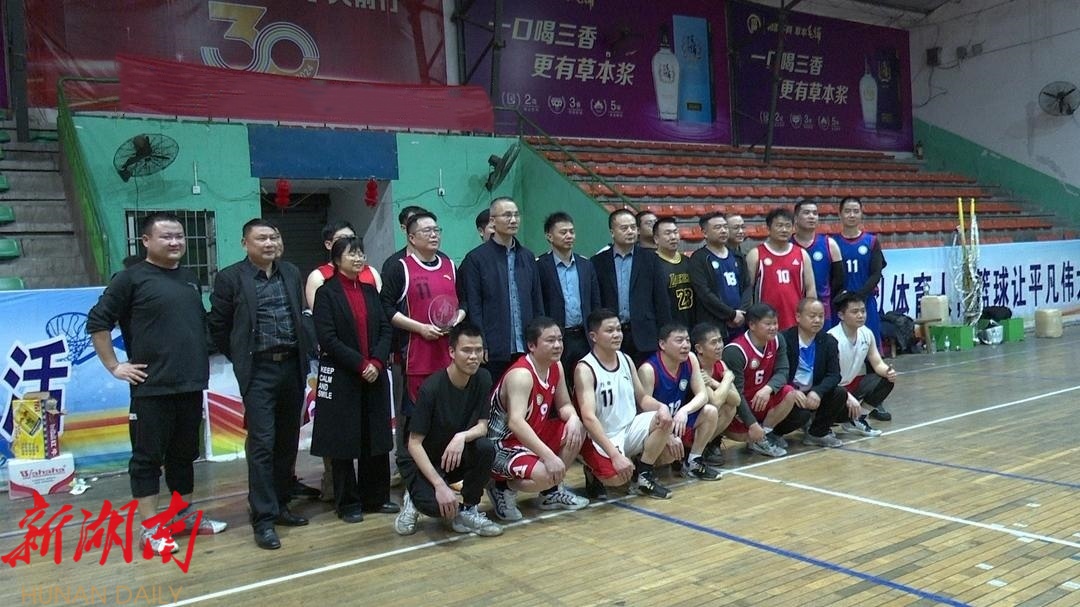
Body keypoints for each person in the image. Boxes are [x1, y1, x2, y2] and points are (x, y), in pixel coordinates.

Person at [87, 212, 226, 556]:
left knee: (184, 456)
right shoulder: (129, 279)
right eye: (166, 236)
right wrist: (114, 366)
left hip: (190, 385)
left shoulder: (189, 279)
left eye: (179, 236)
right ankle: (150, 529)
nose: (175, 242)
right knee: (147, 459)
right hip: (151, 388)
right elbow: (98, 322)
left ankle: (182, 517)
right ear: (146, 240)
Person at [208, 218, 312, 550]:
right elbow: (219, 327)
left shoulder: (290, 272)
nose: (269, 243)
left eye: (274, 237)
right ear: (245, 243)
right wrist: (242, 356)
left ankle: (281, 505)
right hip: (259, 371)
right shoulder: (230, 278)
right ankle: (263, 518)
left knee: (287, 441)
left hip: (292, 366)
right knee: (262, 443)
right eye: (261, 238)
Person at [309, 236, 395, 524]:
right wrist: (361, 364)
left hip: (374, 375)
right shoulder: (326, 293)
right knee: (343, 441)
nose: (358, 259)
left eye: (361, 254)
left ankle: (377, 497)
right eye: (352, 254)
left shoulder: (370, 291)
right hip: (344, 376)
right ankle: (347, 503)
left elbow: (385, 329)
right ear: (336, 259)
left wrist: (377, 362)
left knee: (375, 437)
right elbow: (327, 338)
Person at [394, 323, 502, 537]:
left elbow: (482, 427)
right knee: (438, 508)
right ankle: (412, 499)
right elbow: (414, 444)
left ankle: (469, 508)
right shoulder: (431, 388)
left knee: (485, 448)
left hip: (452, 454)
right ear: (452, 352)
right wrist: (440, 486)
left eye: (478, 350)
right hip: (423, 458)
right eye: (467, 350)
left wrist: (461, 437)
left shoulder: (483, 378)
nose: (474, 357)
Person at [486, 317, 588, 521]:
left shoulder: (556, 366)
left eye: (560, 339)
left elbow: (564, 405)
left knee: (577, 430)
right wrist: (549, 456)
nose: (557, 345)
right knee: (545, 474)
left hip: (529, 436)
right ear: (532, 346)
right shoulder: (521, 375)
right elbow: (515, 422)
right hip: (501, 445)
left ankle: (550, 493)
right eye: (550, 340)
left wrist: (574, 418)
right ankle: (501, 487)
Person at [575, 308, 675, 500]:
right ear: (594, 336)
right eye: (610, 330)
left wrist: (662, 408)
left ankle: (644, 476)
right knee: (618, 479)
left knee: (666, 427)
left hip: (629, 428)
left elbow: (642, 398)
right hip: (604, 436)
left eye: (619, 329)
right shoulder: (585, 368)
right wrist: (615, 455)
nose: (617, 334)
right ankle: (592, 471)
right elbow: (588, 418)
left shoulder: (626, 359)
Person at [380, 211, 463, 429]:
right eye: (427, 231)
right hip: (417, 357)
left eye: (436, 230)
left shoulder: (450, 265)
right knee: (419, 419)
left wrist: (457, 319)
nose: (434, 235)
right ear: (411, 237)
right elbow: (386, 308)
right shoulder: (400, 268)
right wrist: (420, 328)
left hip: (449, 355)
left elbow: (465, 302)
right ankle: (411, 452)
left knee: (449, 416)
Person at [462, 197, 544, 382]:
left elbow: (536, 301)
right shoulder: (476, 258)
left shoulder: (527, 256)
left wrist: (539, 338)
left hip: (527, 345)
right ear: (492, 221)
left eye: (516, 215)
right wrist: (480, 342)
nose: (513, 220)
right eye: (507, 215)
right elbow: (474, 305)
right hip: (494, 347)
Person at [638, 323, 723, 481]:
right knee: (669, 456)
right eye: (679, 341)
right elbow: (642, 413)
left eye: (687, 340)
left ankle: (693, 462)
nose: (685, 345)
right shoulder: (648, 369)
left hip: (677, 420)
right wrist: (667, 435)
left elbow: (702, 395)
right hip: (657, 426)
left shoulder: (690, 358)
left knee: (710, 411)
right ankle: (642, 469)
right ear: (662, 344)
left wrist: (684, 410)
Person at [591, 208, 671, 364]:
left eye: (633, 227)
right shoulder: (598, 262)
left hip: (645, 336)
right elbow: (596, 301)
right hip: (611, 334)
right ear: (612, 232)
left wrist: (665, 335)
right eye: (624, 228)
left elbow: (661, 300)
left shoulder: (651, 259)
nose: (630, 231)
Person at [721, 303, 799, 458]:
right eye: (768, 324)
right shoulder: (735, 351)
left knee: (790, 393)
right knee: (733, 412)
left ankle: (763, 437)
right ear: (752, 325)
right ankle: (751, 436)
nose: (773, 328)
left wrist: (768, 388)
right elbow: (736, 393)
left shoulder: (778, 340)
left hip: (762, 401)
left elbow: (783, 371)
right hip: (738, 409)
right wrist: (752, 424)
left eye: (775, 323)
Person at [780, 298, 852, 448]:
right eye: (812, 316)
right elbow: (777, 372)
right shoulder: (784, 339)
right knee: (801, 414)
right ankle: (773, 434)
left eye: (821, 316)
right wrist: (790, 390)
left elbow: (834, 375)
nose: (817, 320)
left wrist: (817, 392)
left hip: (812, 392)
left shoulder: (829, 341)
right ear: (798, 317)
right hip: (788, 392)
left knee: (839, 393)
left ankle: (817, 434)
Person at [537, 212, 601, 369]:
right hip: (556, 337)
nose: (569, 236)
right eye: (563, 232)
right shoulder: (540, 266)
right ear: (549, 236)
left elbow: (595, 301)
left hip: (584, 335)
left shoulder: (586, 265)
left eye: (572, 232)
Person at [828, 292, 896, 433]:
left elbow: (877, 363)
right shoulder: (832, 338)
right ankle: (820, 425)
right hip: (833, 390)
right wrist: (846, 396)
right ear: (841, 315)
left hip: (851, 385)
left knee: (886, 380)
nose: (860, 315)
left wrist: (887, 371)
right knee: (835, 395)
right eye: (855, 312)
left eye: (863, 311)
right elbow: (826, 377)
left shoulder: (867, 333)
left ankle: (858, 418)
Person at [835, 197, 889, 374]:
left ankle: (875, 387)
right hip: (841, 304)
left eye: (855, 211)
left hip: (866, 303)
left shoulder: (871, 241)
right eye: (847, 211)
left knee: (871, 348)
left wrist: (859, 295)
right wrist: (843, 297)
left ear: (861, 214)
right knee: (838, 350)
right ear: (840, 214)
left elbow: (876, 273)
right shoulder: (833, 242)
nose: (851, 215)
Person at [745, 208, 816, 330]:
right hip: (765, 321)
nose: (784, 230)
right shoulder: (756, 254)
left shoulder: (801, 254)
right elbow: (747, 290)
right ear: (768, 228)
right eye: (779, 225)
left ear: (793, 228)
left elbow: (810, 288)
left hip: (795, 319)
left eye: (788, 226)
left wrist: (810, 314)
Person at [689, 212, 750, 339]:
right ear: (705, 233)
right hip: (714, 325)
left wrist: (741, 313)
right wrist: (731, 314)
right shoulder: (699, 258)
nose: (723, 231)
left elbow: (747, 286)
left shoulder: (738, 256)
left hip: (740, 321)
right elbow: (704, 293)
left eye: (725, 227)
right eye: (717, 227)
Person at [690, 322, 742, 466]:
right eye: (714, 342)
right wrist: (727, 379)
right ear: (699, 348)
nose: (719, 346)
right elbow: (715, 402)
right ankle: (692, 450)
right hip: (689, 421)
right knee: (715, 408)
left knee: (730, 408)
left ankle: (705, 447)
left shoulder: (720, 364)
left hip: (706, 417)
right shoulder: (696, 367)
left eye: (720, 340)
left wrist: (715, 383)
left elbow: (737, 400)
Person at [792, 200, 843, 327]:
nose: (811, 216)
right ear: (796, 218)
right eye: (806, 213)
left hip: (822, 309)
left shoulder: (829, 244)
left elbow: (839, 280)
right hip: (792, 308)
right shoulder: (787, 245)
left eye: (815, 213)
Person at [653, 216, 696, 328]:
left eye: (675, 232)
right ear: (656, 239)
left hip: (691, 321)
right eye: (667, 233)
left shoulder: (688, 261)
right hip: (667, 326)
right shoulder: (651, 264)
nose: (673, 237)